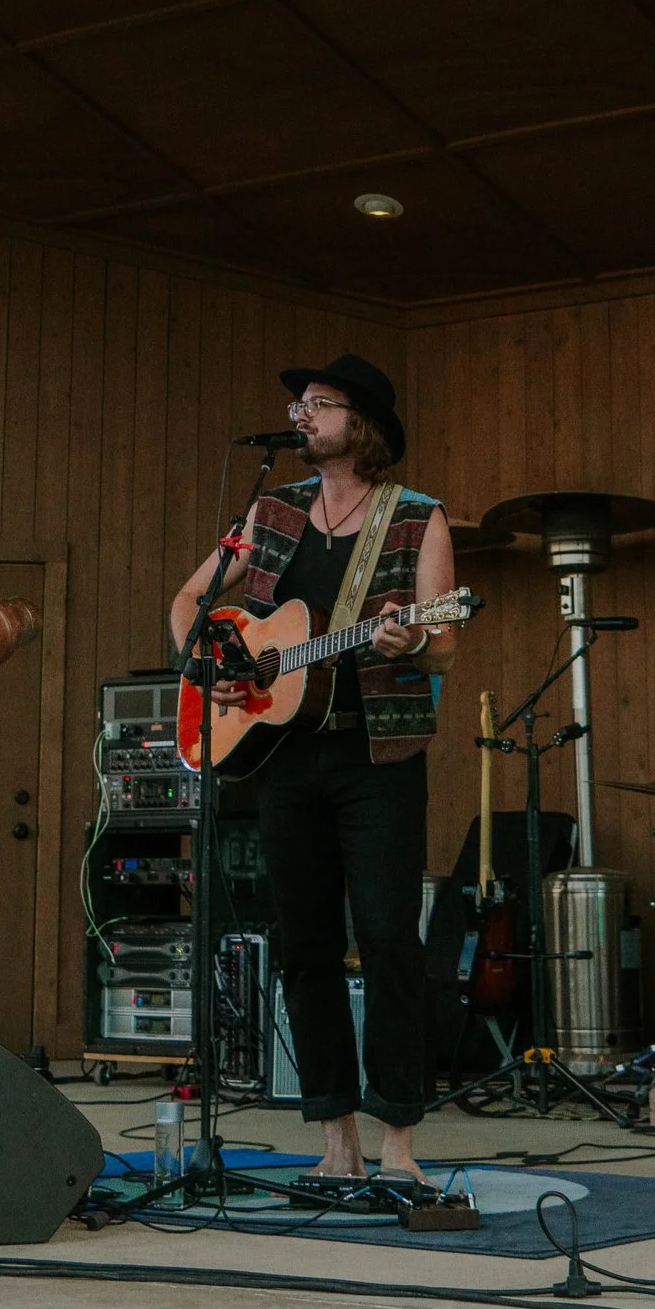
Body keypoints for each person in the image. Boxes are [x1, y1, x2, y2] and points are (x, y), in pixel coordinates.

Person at [168, 356, 456, 1197]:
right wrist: (212, 665)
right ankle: (335, 1134)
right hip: (282, 755)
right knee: (304, 944)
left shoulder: (417, 519)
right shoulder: (269, 510)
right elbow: (190, 602)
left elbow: (446, 640)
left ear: (358, 422)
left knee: (390, 938)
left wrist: (412, 638)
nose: (300, 414)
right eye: (298, 403)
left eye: (318, 404)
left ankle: (398, 1136)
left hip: (379, 758)